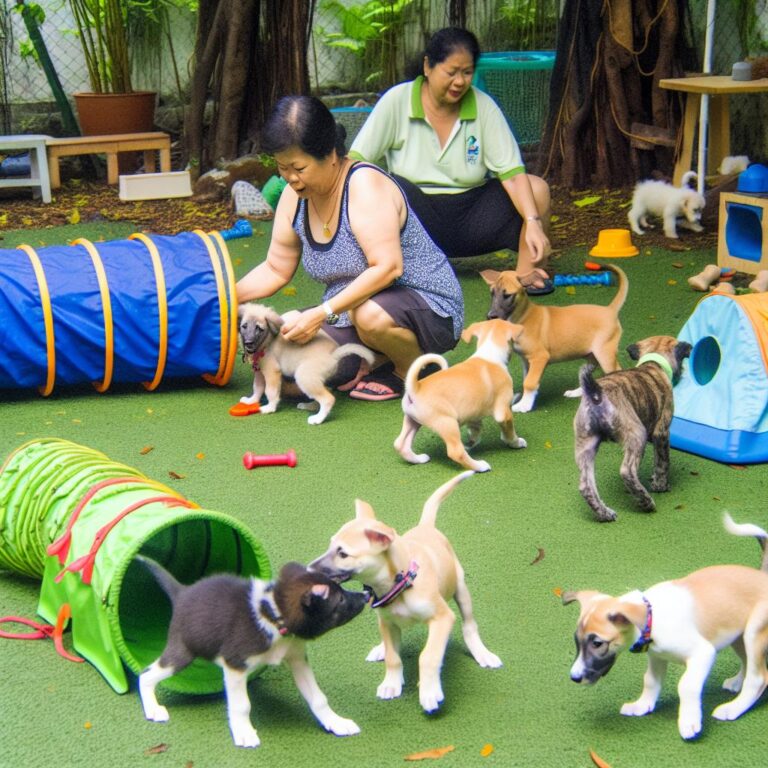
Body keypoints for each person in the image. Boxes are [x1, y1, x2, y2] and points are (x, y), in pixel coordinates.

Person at [235, 95, 464, 402]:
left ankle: (411, 370)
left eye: (298, 167)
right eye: (281, 166)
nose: (289, 177)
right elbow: (276, 267)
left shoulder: (364, 185)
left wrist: (322, 312)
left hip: (426, 306)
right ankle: (376, 359)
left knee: (368, 316)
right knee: (287, 356)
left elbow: (387, 267)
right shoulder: (293, 196)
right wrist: (224, 300)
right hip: (347, 311)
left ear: (330, 154)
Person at [349, 26, 553, 294]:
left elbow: (513, 175)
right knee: (373, 183)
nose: (460, 81)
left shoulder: (484, 107)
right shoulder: (396, 101)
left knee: (536, 189)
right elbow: (355, 162)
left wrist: (534, 223)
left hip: (473, 219)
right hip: (415, 218)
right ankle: (383, 267)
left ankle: (527, 276)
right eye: (451, 72)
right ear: (428, 67)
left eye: (467, 73)